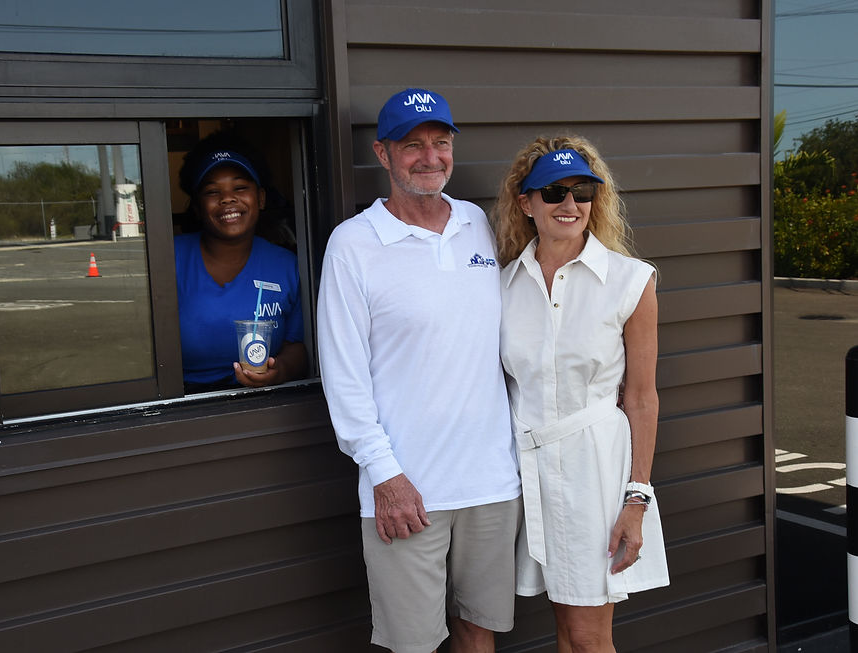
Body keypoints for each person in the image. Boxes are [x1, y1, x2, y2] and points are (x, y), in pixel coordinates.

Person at [317, 88, 521, 653]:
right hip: (408, 489)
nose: (430, 157)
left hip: (491, 482)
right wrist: (385, 475)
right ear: (383, 155)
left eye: (441, 142)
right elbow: (343, 372)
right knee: (414, 644)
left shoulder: (479, 225)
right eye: (412, 145)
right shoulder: (353, 245)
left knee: (480, 630)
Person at [492, 136, 670, 652]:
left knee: (590, 635)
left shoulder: (630, 282)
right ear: (525, 203)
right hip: (528, 472)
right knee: (565, 628)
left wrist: (637, 498)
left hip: (596, 469)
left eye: (582, 191)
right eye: (553, 192)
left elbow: (641, 398)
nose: (570, 205)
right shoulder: (503, 286)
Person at [174, 136, 307, 393]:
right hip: (182, 403)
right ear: (198, 208)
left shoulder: (286, 265)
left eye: (240, 188)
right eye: (213, 192)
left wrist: (280, 371)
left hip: (261, 401)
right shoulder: (171, 258)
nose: (227, 199)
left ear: (261, 198)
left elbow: (298, 346)